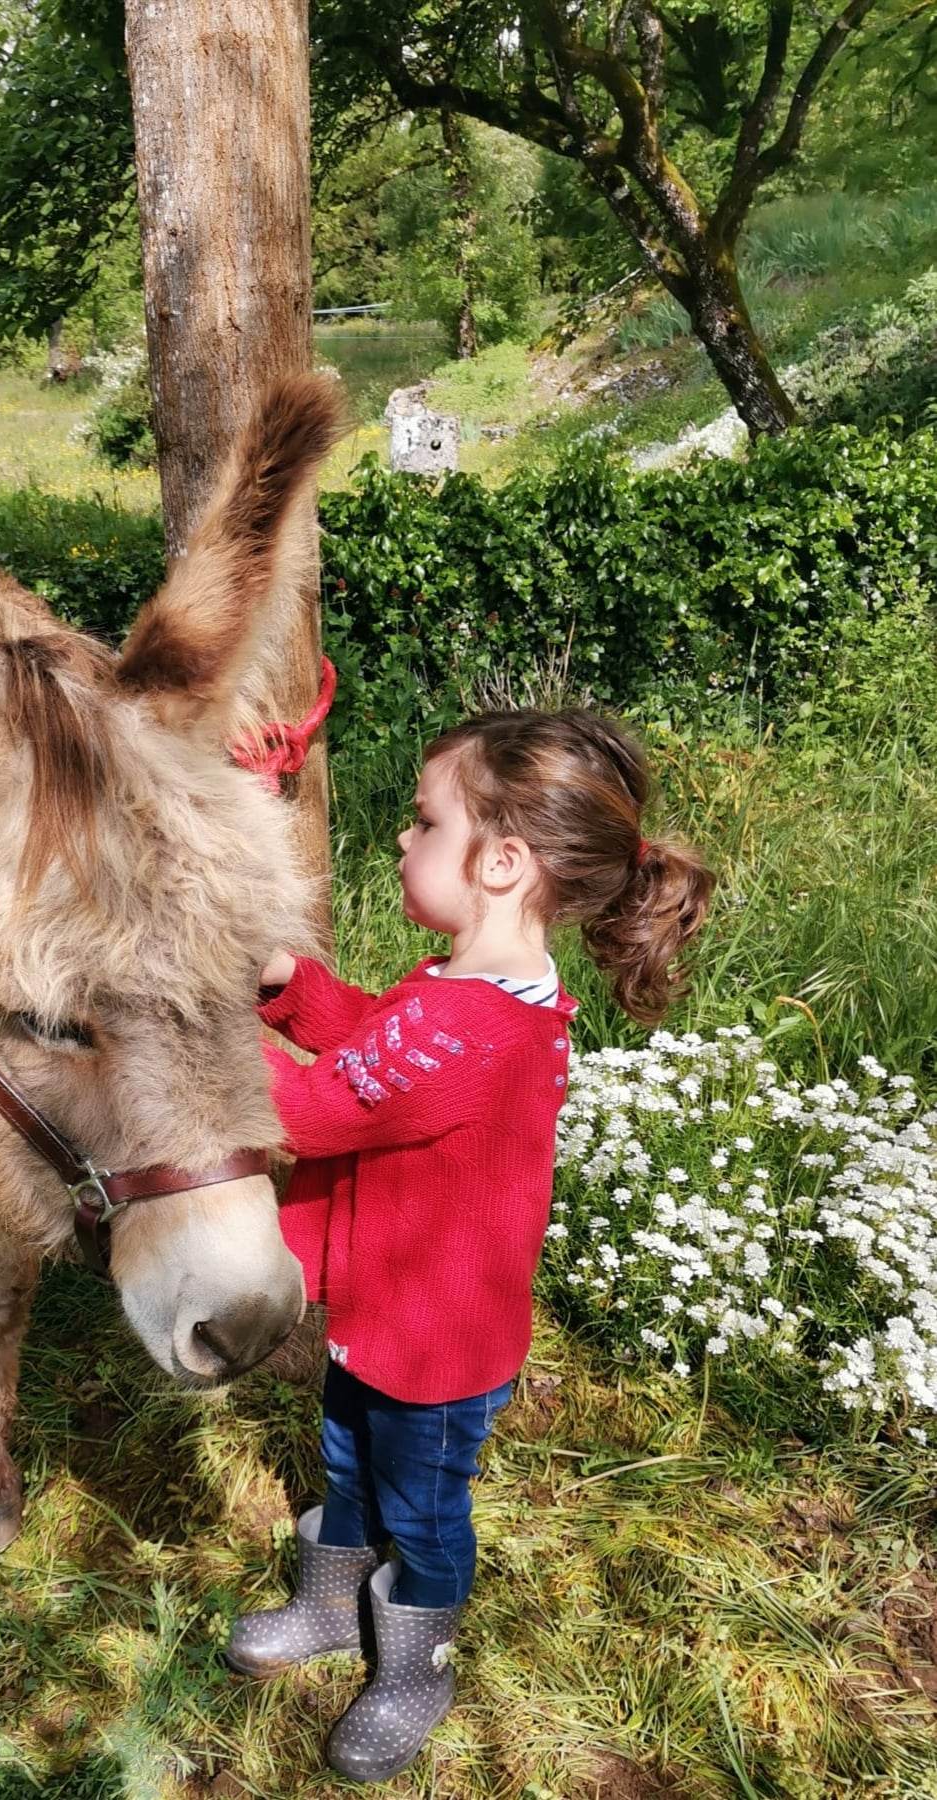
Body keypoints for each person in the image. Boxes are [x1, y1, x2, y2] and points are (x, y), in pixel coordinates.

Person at [226, 707, 713, 1783]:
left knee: (424, 1513)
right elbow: (371, 1041)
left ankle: (414, 1668)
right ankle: (327, 1612)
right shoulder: (464, 997)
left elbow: (316, 1110)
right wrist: (285, 985)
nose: (401, 841)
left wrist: (199, 1033)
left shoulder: (471, 1029)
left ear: (499, 862)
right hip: (382, 1321)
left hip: (435, 1355)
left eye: (421, 820)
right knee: (348, 1467)